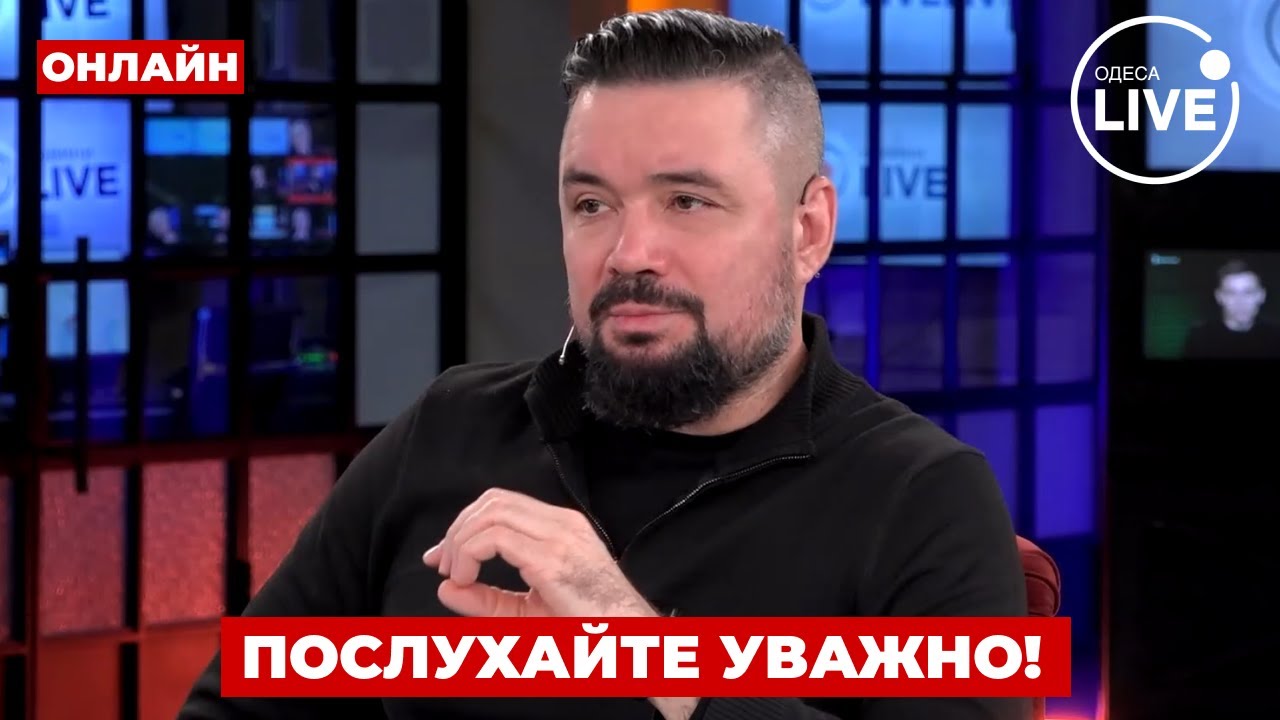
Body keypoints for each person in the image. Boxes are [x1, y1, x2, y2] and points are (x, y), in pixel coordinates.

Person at [179, 10, 1028, 720]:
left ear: (808, 230)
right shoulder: (451, 426)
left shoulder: (923, 495)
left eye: (686, 200)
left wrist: (645, 648)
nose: (627, 253)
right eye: (592, 204)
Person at [1183, 259, 1280, 358]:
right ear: (1219, 297)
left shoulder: (1275, 337)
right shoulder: (1200, 339)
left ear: (1261, 295)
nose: (1240, 302)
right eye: (1231, 293)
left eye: (1248, 292)